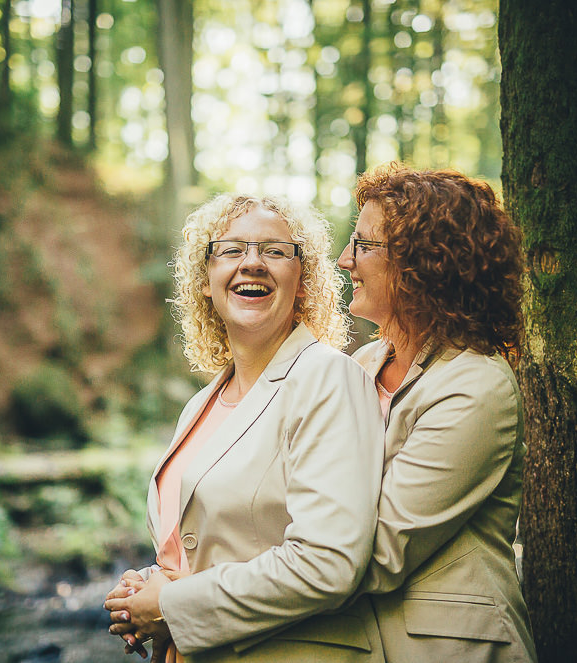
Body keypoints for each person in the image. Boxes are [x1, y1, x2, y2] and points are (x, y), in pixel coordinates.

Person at [104, 193, 386, 662]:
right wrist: (149, 590)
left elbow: (328, 563)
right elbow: (209, 546)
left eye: (274, 251)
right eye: (232, 250)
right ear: (205, 280)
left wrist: (172, 605)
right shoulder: (200, 403)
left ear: (305, 279)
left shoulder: (328, 377)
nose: (252, 263)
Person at [337, 163, 538, 662]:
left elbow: (380, 553)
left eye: (364, 245)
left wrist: (202, 595)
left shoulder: (476, 387)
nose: (345, 260)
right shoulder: (358, 366)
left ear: (422, 263)